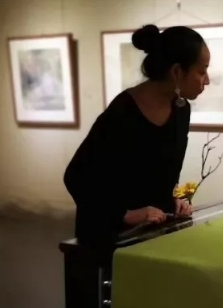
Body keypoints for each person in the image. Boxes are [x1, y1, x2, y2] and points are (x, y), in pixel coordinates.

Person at [63, 24, 210, 244]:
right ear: (177, 72)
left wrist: (171, 201)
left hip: (152, 233)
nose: (207, 80)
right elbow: (76, 177)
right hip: (109, 237)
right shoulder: (123, 111)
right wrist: (125, 214)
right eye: (202, 71)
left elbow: (157, 175)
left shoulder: (181, 110)